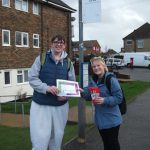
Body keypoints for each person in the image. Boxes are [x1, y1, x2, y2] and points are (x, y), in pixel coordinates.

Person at [28, 34, 76, 150]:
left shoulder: (68, 62)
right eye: (56, 42)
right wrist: (47, 88)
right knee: (40, 138)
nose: (58, 44)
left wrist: (65, 96)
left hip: (60, 106)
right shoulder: (41, 58)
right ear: (51, 44)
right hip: (41, 105)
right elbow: (32, 78)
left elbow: (72, 82)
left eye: (61, 42)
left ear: (64, 46)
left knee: (57, 137)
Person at [80, 56, 123, 150]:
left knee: (113, 144)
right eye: (94, 66)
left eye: (98, 65)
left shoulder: (110, 79)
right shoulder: (93, 80)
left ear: (103, 66)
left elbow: (119, 98)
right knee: (106, 144)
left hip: (112, 120)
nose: (96, 68)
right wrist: (81, 92)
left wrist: (104, 100)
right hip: (100, 120)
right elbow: (89, 96)